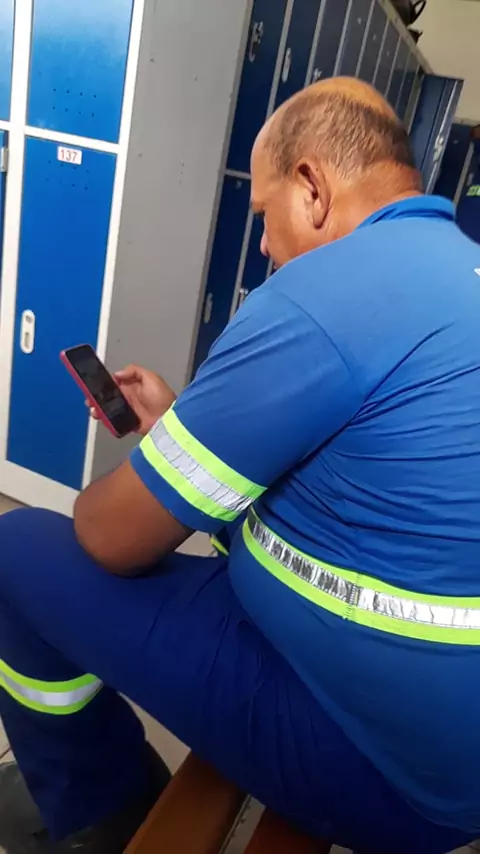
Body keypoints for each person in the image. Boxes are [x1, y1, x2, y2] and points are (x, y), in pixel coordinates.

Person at [1, 76, 480, 854]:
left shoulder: (321, 294)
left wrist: (137, 479)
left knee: (19, 550)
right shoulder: (458, 270)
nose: (261, 246)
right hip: (450, 750)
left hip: (387, 769)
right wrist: (178, 432)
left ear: (312, 188)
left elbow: (110, 540)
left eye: (262, 214)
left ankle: (100, 810)